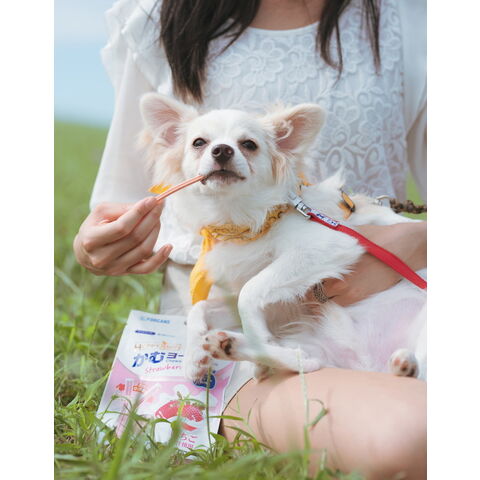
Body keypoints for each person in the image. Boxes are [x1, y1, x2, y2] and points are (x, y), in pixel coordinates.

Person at [74, 0, 427, 477]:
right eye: (201, 143)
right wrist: (96, 245)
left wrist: (418, 240)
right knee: (413, 434)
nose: (222, 151)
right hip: (229, 329)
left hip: (397, 296)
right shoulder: (155, 18)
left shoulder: (412, 18)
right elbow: (113, 205)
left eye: (247, 144)